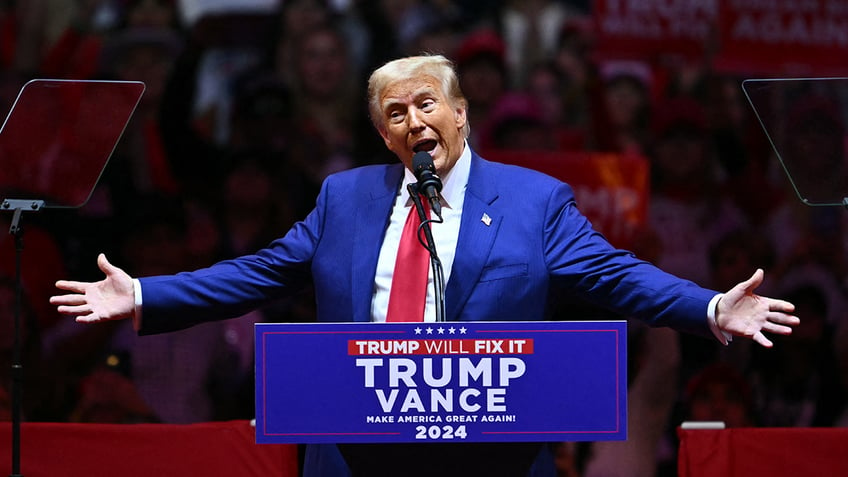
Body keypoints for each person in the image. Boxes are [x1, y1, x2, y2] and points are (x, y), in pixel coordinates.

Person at [51, 55, 799, 477]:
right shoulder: (344, 199)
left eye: (425, 103)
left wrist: (709, 308)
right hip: (356, 450)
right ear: (384, 136)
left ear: (462, 112)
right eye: (395, 114)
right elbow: (258, 271)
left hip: (493, 455)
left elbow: (616, 272)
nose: (414, 121)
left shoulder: (533, 201)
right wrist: (146, 294)